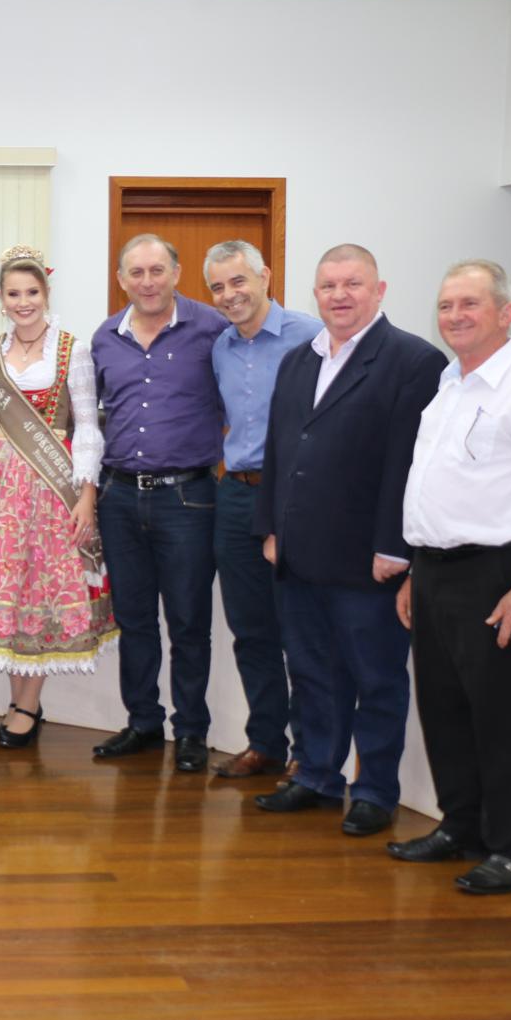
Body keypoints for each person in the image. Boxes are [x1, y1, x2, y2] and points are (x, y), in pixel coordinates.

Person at [391, 260, 511, 893]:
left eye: (470, 304)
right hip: (436, 571)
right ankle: (460, 827)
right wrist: (418, 568)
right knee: (443, 709)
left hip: (499, 576)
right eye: (446, 306)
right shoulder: (449, 386)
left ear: (507, 313)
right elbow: (436, 488)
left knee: (500, 717)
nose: (455, 317)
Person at [253, 244, 444, 836]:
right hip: (299, 552)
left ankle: (376, 791)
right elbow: (280, 449)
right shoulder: (298, 359)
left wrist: (396, 546)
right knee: (310, 673)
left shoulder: (414, 361)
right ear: (315, 294)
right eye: (328, 285)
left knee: (376, 679)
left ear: (379, 290)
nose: (339, 295)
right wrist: (270, 528)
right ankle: (316, 776)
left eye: (352, 284)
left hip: (370, 559)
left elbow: (409, 464)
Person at [0, 246, 115, 747]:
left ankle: (28, 703)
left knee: (40, 589)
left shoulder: (72, 350)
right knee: (8, 591)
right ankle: (20, 700)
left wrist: (85, 493)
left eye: (32, 292)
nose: (23, 302)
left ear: (46, 293)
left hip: (52, 484)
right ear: (0, 298)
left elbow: (87, 428)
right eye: (14, 294)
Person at [88, 234, 229, 773]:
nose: (147, 282)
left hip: (189, 497)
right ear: (121, 279)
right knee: (136, 619)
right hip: (119, 496)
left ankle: (191, 729)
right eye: (136, 273)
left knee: (190, 620)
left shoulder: (212, 330)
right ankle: (143, 721)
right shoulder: (105, 337)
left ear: (176, 272)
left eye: (157, 271)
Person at [204, 240, 323, 780]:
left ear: (265, 276)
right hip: (235, 495)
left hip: (296, 499)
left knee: (299, 629)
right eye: (218, 288)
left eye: (238, 281)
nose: (230, 295)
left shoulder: (311, 338)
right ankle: (265, 743)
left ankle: (310, 754)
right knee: (250, 630)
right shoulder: (220, 347)